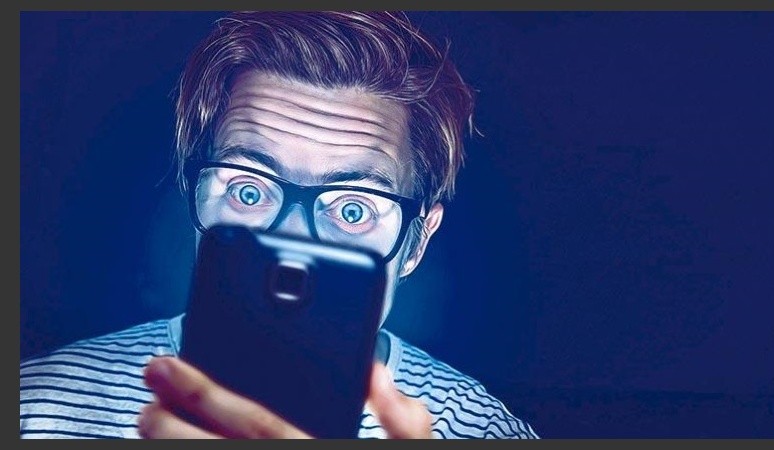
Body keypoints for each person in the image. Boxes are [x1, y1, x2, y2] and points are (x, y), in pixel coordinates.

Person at [20, 11, 539, 439]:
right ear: (191, 193)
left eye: (353, 210)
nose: (292, 240)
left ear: (417, 242)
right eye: (249, 191)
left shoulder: (486, 431)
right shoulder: (34, 410)